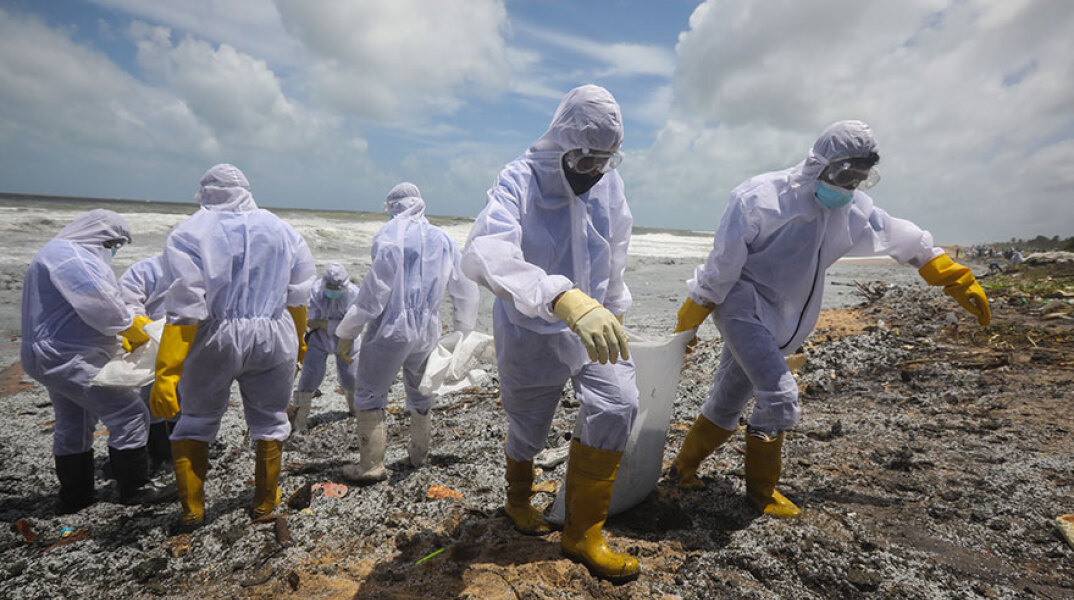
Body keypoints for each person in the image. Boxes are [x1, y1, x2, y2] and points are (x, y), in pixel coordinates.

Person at [670, 120, 991, 520]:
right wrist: (692, 316)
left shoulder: (852, 211)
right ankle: (760, 493)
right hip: (742, 308)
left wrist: (954, 278)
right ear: (818, 162)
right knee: (779, 396)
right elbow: (722, 266)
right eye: (843, 173)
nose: (849, 185)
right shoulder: (759, 199)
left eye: (860, 178)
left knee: (729, 398)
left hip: (781, 319)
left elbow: (901, 237)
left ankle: (681, 471)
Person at [462, 85, 639, 583]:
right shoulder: (519, 180)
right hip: (529, 329)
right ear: (561, 143)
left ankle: (583, 531)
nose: (594, 171)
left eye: (606, 160)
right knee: (529, 426)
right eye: (585, 159)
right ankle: (518, 499)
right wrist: (561, 296)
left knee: (619, 403)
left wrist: (612, 309)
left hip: (595, 324)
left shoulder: (608, 186)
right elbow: (486, 253)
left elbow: (616, 252)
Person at [150, 164, 316, 529]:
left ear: (206, 193)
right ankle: (263, 503)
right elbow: (299, 295)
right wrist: (300, 343)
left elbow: (186, 308)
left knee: (195, 419)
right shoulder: (283, 230)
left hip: (214, 337)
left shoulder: (190, 232)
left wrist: (166, 372)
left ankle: (193, 511)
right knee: (271, 420)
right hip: (275, 334)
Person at [21, 210, 170, 511]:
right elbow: (103, 307)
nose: (114, 251)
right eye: (114, 245)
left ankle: (76, 497)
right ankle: (135, 488)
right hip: (66, 356)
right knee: (129, 412)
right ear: (100, 237)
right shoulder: (73, 258)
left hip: (56, 353)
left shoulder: (59, 253)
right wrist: (135, 328)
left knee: (75, 422)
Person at [335, 183, 478, 481]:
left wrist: (348, 330)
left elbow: (375, 291)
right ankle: (418, 453)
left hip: (391, 327)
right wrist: (464, 330)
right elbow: (464, 289)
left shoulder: (390, 235)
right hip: (427, 326)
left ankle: (371, 464)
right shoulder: (442, 238)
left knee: (370, 391)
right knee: (421, 388)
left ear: (393, 208)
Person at [118, 254, 174, 472]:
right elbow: (126, 302)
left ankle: (178, 448)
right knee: (151, 396)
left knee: (186, 396)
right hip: (151, 341)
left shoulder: (204, 268)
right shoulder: (147, 269)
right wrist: (145, 326)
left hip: (188, 340)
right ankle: (158, 452)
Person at [289, 262, 360, 433]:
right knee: (310, 377)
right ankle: (300, 420)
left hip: (346, 338)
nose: (333, 292)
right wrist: (319, 325)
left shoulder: (354, 294)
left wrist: (324, 324)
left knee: (351, 376)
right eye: (330, 287)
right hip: (318, 339)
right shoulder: (314, 292)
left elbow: (355, 321)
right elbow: (307, 318)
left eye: (337, 288)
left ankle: (356, 411)